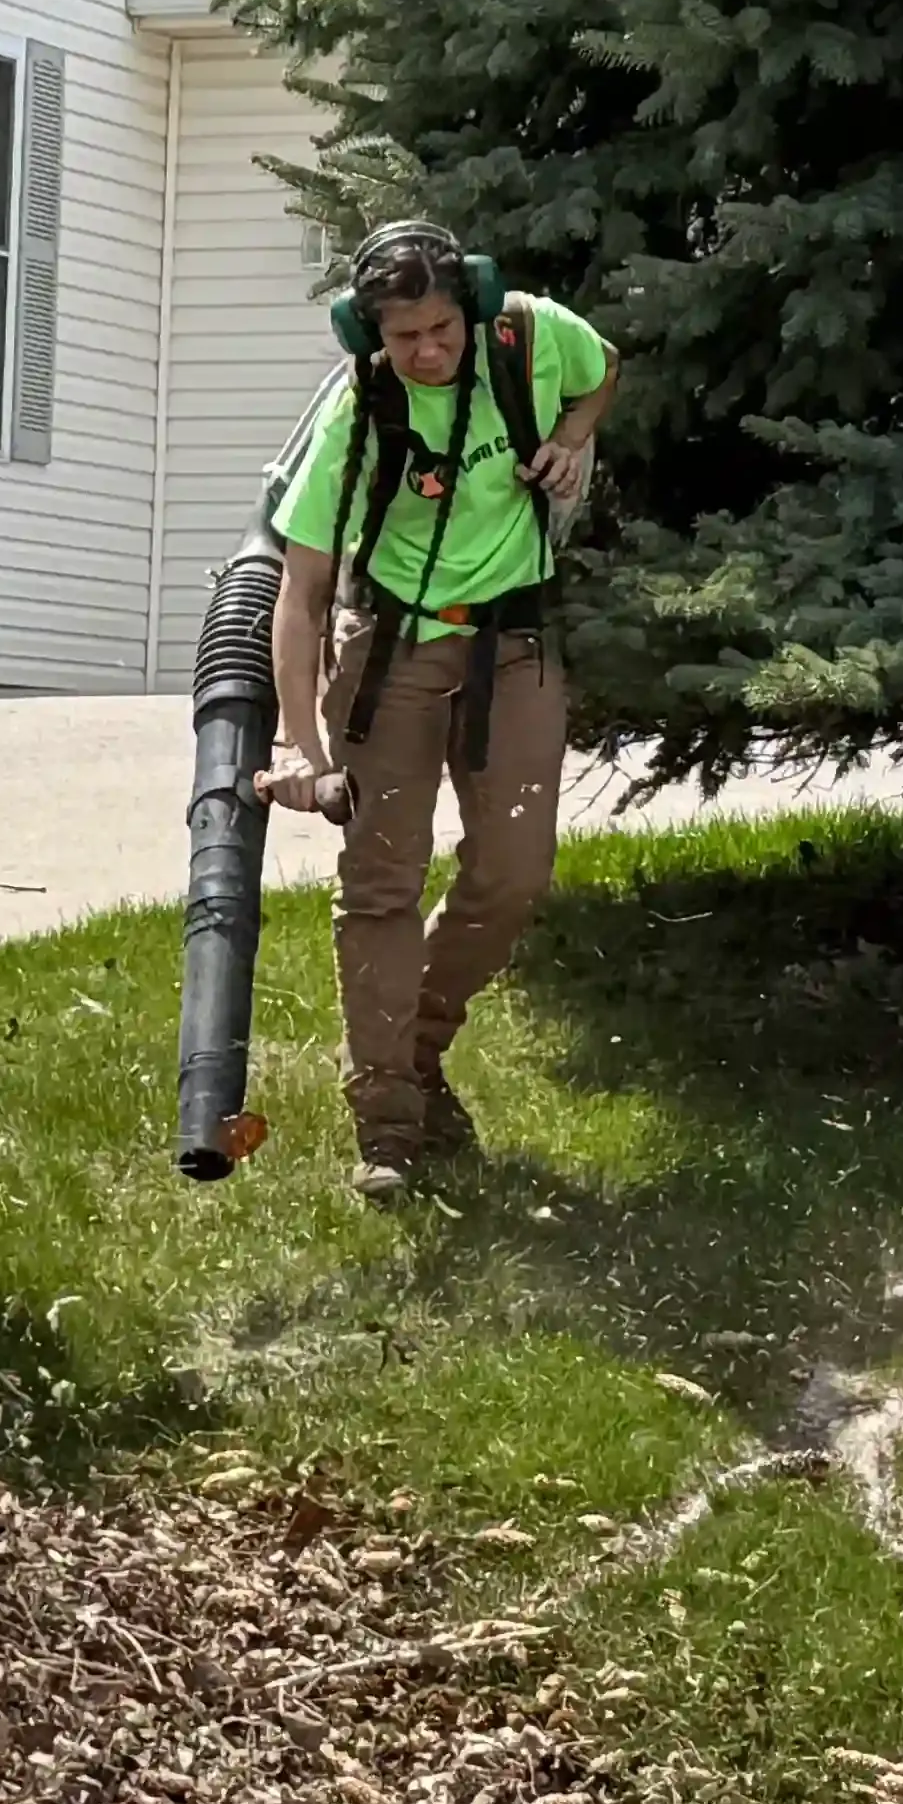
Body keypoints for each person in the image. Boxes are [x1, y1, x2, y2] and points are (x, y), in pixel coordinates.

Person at [256, 219, 616, 1197]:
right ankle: (388, 1125)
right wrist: (298, 735)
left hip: (517, 642)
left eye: (441, 329)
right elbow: (302, 589)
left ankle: (415, 1044)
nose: (425, 351)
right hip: (395, 651)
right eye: (402, 334)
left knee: (513, 870)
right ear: (369, 330)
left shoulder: (531, 340)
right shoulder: (357, 414)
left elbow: (605, 368)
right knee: (382, 883)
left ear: (474, 308)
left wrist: (574, 439)